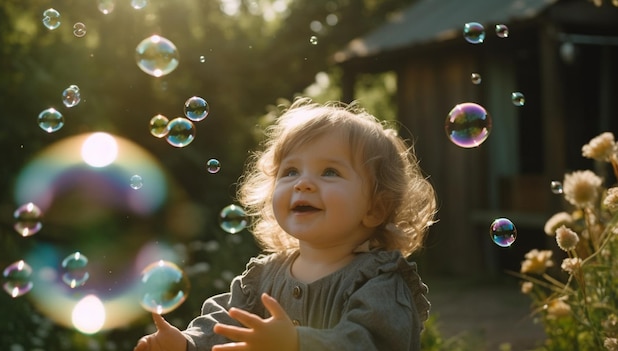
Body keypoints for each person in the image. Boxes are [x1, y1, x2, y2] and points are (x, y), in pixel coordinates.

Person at [134, 97, 437, 351]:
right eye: (290, 171)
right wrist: (187, 343)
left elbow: (369, 342)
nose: (303, 183)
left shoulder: (379, 282)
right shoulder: (263, 278)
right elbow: (227, 322)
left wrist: (296, 343)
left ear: (375, 207)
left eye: (330, 172)